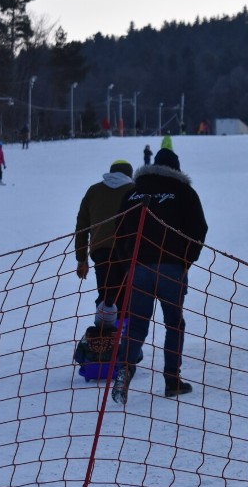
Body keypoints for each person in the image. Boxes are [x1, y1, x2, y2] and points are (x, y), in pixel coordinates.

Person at [104, 147, 208, 403]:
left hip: (138, 267)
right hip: (172, 268)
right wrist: (186, 260)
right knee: (174, 323)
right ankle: (172, 380)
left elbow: (119, 230)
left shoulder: (132, 193)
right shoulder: (185, 192)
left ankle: (124, 371)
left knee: (137, 322)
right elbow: (199, 229)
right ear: (176, 168)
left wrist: (128, 263)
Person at [75, 160, 136, 314]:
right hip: (129, 252)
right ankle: (122, 331)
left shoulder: (93, 191)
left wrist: (82, 259)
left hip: (101, 251)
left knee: (106, 295)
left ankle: (105, 331)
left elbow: (82, 227)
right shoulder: (135, 190)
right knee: (127, 296)